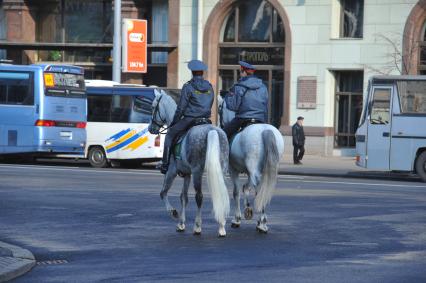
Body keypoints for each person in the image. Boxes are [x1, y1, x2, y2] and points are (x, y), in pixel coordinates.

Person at [159, 59, 214, 174]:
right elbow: (211, 101)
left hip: (191, 119)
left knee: (170, 134)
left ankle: (165, 164)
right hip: (206, 120)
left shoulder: (188, 86)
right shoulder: (209, 86)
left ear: (192, 72)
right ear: (202, 72)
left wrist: (174, 122)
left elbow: (181, 108)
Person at [220, 61, 268, 139]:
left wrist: (227, 96)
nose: (240, 74)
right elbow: (265, 104)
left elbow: (233, 107)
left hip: (243, 118)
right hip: (260, 119)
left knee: (224, 135)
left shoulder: (240, 86)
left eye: (240, 72)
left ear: (244, 71)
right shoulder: (263, 86)